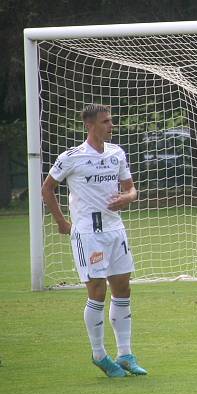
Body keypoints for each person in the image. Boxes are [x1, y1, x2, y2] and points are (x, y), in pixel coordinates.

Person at [41, 104, 146, 378]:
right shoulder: (71, 157)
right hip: (88, 233)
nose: (111, 126)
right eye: (105, 122)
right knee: (98, 291)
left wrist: (128, 197)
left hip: (115, 230)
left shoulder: (116, 153)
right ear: (90, 125)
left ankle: (125, 355)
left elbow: (130, 187)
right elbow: (47, 188)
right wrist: (62, 222)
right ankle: (99, 354)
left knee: (123, 288)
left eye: (111, 121)